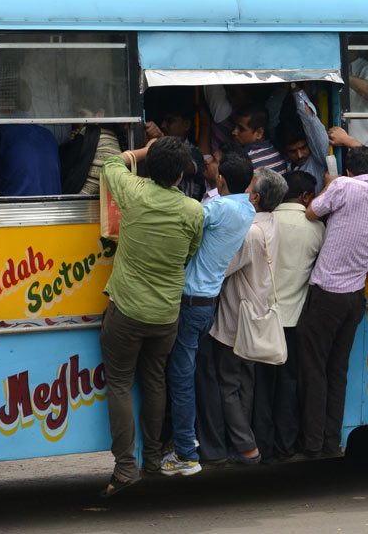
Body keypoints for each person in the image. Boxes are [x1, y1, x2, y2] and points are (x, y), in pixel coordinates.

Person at [98, 137, 204, 497]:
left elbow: (111, 164)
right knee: (155, 380)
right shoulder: (193, 211)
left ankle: (125, 467)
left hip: (126, 310)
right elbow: (190, 252)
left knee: (120, 383)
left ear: (148, 167)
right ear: (181, 173)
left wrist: (141, 150)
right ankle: (154, 459)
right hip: (165, 315)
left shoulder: (135, 193)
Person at [297, 140, 368, 457]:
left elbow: (313, 212)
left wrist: (329, 184)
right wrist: (352, 143)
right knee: (337, 370)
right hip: (355, 296)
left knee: (313, 370)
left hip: (327, 293)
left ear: (349, 170)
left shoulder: (343, 186)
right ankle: (330, 441)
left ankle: (311, 443)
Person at [162, 149, 256, 476]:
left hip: (191, 302)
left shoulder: (217, 208)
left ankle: (185, 451)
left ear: (222, 179)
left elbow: (185, 218)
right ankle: (187, 442)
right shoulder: (245, 207)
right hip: (207, 302)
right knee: (192, 373)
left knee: (181, 376)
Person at [209, 167, 289, 464]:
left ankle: (246, 447)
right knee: (245, 381)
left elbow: (223, 267)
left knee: (229, 382)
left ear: (254, 197)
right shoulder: (271, 222)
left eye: (249, 185)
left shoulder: (250, 232)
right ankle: (247, 441)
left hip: (237, 318)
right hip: (255, 313)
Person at [252, 170, 325, 462]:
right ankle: (286, 444)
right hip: (295, 320)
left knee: (261, 386)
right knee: (289, 383)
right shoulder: (317, 228)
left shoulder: (263, 223)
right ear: (307, 196)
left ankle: (262, 445)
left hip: (263, 318)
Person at [268, 84, 330, 192]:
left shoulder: (318, 158)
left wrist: (295, 88)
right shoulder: (283, 160)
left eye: (303, 148)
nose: (300, 155)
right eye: (292, 151)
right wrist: (283, 88)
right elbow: (270, 119)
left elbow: (311, 122)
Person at [144, 98, 206, 200]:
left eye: (170, 121)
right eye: (163, 120)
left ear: (186, 125)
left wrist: (162, 141)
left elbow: (185, 166)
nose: (163, 125)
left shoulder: (195, 153)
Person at [60, 104, 123, 195]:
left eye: (82, 115)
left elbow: (67, 167)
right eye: (76, 115)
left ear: (99, 114)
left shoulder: (86, 133)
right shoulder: (113, 135)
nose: (77, 120)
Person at [232, 104, 288, 175]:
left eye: (241, 129)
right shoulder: (277, 153)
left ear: (259, 133)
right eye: (234, 126)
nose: (234, 132)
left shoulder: (244, 161)